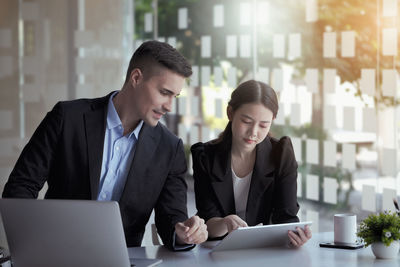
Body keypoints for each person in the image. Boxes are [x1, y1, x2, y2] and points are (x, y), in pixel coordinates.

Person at [2, 40, 207, 250]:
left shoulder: (169, 149)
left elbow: (171, 222)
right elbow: (21, 187)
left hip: (121, 259)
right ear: (136, 78)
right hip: (54, 254)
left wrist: (185, 233)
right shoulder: (67, 118)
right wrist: (32, 246)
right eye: (164, 93)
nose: (169, 106)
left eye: (175, 96)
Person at [191, 80, 311, 248]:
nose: (254, 132)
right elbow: (207, 223)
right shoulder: (205, 157)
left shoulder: (281, 154)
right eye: (246, 121)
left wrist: (296, 236)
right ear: (230, 113)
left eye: (263, 125)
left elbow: (286, 216)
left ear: (272, 120)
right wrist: (225, 222)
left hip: (265, 249)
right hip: (218, 250)